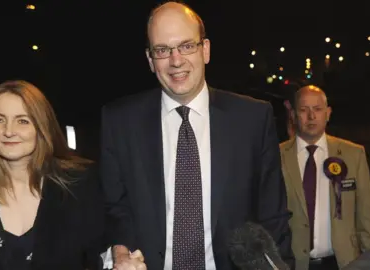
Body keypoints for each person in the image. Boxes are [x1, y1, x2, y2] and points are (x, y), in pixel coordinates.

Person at [100, 2, 294, 270]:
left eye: (187, 46)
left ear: (205, 50)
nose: (176, 60)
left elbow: (273, 215)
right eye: (162, 50)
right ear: (149, 59)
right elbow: (114, 208)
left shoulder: (252, 119)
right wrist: (120, 253)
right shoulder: (119, 121)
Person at [0, 80, 105, 270]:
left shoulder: (79, 183)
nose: (9, 131)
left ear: (42, 127)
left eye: (22, 121)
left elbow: (101, 256)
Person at [279, 85, 370, 270]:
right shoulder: (276, 156)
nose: (311, 116)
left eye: (317, 109)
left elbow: (366, 217)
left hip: (343, 263)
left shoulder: (353, 154)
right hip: (293, 264)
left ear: (328, 113)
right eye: (303, 110)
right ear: (293, 115)